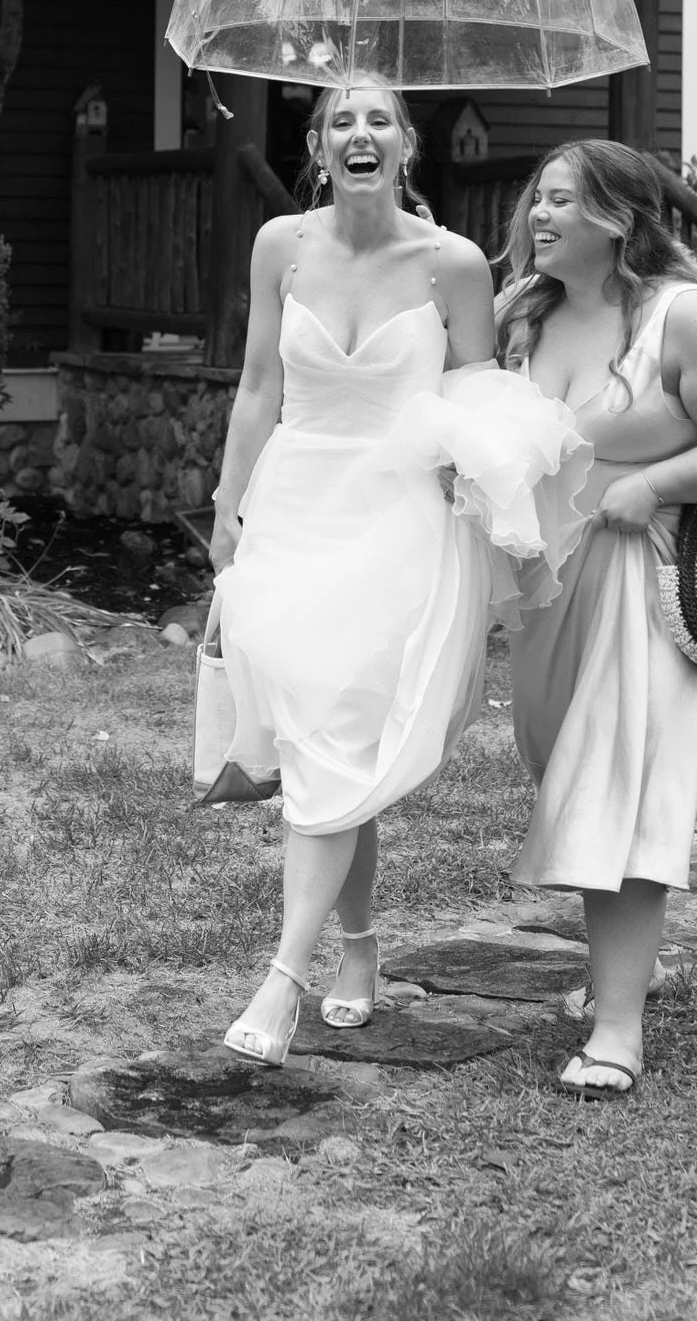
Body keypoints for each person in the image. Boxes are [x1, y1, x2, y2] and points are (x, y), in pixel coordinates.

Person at [208, 77, 496, 1066]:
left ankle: (283, 977)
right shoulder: (279, 244)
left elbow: (478, 403)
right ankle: (360, 950)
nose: (359, 134)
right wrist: (224, 509)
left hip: (395, 524)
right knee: (328, 748)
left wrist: (481, 499)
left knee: (334, 742)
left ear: (407, 145)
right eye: (342, 121)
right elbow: (256, 385)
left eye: (379, 119)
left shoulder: (452, 263)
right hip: (293, 509)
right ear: (318, 143)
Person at [502, 140, 697, 1097]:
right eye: (537, 199)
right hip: (545, 590)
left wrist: (656, 482)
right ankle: (615, 980)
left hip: (638, 580)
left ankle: (618, 1030)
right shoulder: (521, 317)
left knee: (618, 791)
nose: (538, 217)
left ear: (619, 220)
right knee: (569, 775)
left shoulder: (683, 317)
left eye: (561, 203)